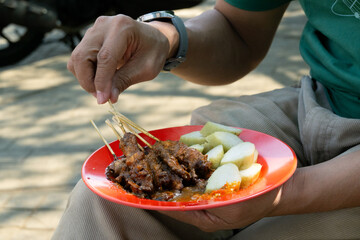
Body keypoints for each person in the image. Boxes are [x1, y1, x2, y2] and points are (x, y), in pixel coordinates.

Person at [53, 0, 360, 239]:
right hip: (320, 99)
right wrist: (165, 37)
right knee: (104, 204)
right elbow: (237, 30)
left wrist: (290, 193)